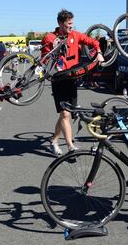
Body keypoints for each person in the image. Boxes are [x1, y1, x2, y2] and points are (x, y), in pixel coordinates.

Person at [41, 9, 104, 155]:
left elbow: (93, 42)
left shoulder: (75, 35)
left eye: (72, 23)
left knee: (66, 114)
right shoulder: (49, 38)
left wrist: (99, 52)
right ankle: (70, 146)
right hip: (58, 80)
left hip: (72, 80)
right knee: (66, 115)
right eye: (69, 24)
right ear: (60, 23)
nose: (71, 26)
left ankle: (54, 140)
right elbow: (44, 58)